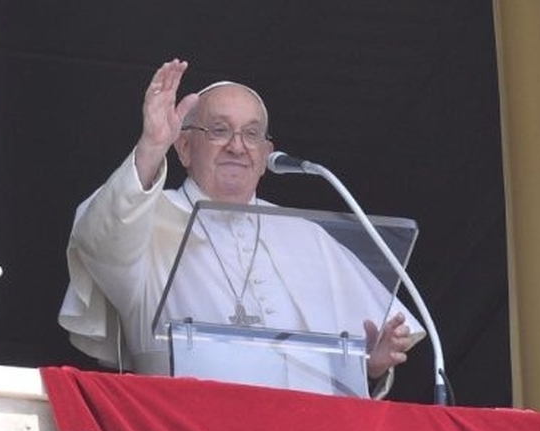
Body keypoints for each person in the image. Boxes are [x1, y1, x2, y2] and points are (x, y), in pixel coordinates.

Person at [58, 58, 424, 398]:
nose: (237, 146)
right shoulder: (147, 221)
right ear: (183, 147)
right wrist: (152, 146)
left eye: (251, 135)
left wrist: (366, 362)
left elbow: (344, 362)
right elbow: (100, 240)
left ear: (266, 156)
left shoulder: (306, 236)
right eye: (219, 130)